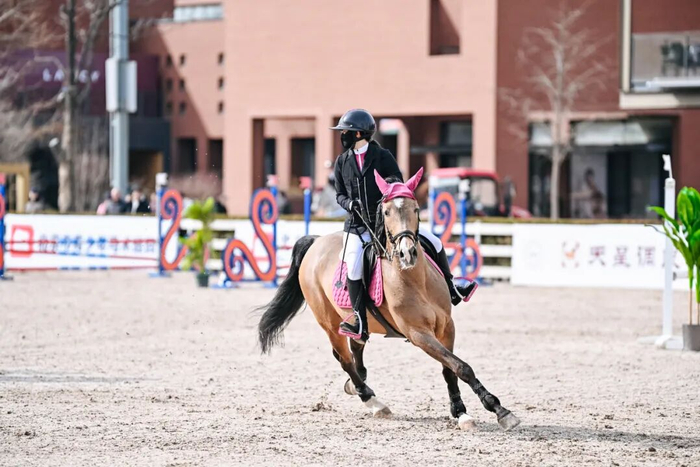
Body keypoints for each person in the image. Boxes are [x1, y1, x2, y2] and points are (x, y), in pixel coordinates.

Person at [331, 109, 477, 343]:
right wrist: (349, 203)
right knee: (354, 263)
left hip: (388, 221)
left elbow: (397, 181)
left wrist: (388, 188)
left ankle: (452, 287)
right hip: (358, 225)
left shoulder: (382, 156)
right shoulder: (342, 161)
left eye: (345, 132)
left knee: (435, 241)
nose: (342, 136)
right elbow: (339, 194)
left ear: (358, 134)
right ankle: (359, 318)